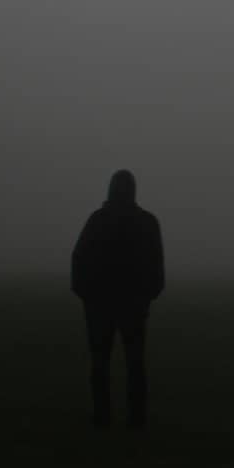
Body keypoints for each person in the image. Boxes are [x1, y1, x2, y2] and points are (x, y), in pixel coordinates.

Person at [70, 169, 165, 429]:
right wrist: (147, 296)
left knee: (100, 363)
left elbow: (78, 260)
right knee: (135, 364)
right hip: (134, 306)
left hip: (99, 306)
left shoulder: (98, 220)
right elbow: (157, 267)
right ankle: (137, 421)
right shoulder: (147, 222)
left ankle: (102, 419)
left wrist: (87, 296)